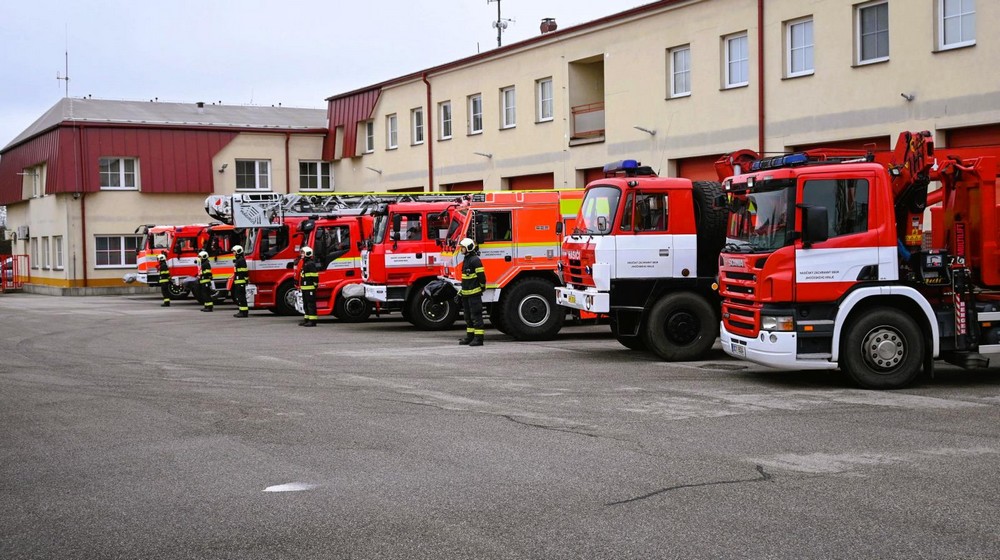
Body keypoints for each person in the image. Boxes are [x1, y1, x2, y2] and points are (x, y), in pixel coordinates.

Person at [458, 237, 486, 346]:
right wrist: (461, 292)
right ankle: (470, 337)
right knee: (468, 317)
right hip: (466, 294)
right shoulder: (466, 259)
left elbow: (481, 277)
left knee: (476, 316)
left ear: (469, 248)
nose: (461, 249)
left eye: (463, 247)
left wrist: (482, 287)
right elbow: (465, 279)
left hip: (474, 294)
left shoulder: (475, 260)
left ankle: (479, 339)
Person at [299, 246, 319, 327]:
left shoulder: (310, 264)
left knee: (311, 305)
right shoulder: (306, 263)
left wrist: (315, 285)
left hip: (310, 288)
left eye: (303, 253)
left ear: (307, 253)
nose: (301, 254)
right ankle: (307, 320)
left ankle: (312, 321)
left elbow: (315, 276)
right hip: (305, 288)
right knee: (306, 304)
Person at [232, 245, 249, 318]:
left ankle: (244, 312)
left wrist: (245, 280)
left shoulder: (241, 260)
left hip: (241, 282)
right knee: (239, 297)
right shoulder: (238, 260)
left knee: (242, 297)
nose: (233, 253)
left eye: (234, 252)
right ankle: (241, 311)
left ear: (238, 251)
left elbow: (244, 271)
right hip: (238, 282)